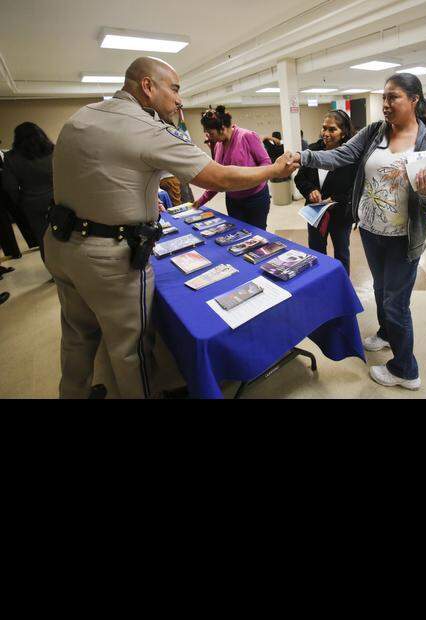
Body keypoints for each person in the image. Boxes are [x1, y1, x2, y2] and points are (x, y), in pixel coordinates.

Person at [46, 55, 299, 398]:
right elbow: (218, 176)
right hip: (108, 257)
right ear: (147, 86)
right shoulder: (146, 126)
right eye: (175, 88)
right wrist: (274, 171)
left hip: (62, 244)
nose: (180, 99)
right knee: (131, 350)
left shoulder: (83, 115)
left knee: (77, 336)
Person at [296, 72, 426, 390]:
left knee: (396, 302)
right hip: (369, 229)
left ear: (414, 100)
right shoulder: (375, 131)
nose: (385, 104)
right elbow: (342, 155)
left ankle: (406, 369)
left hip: (403, 237)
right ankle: (386, 333)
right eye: (383, 97)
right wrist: (304, 156)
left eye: (393, 97)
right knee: (380, 290)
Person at [293, 110, 356, 275]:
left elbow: (355, 189)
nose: (326, 133)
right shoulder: (313, 150)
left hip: (340, 214)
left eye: (332, 129)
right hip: (315, 213)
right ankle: (320, 280)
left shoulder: (351, 157)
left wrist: (334, 199)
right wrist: (311, 190)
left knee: (341, 253)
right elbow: (300, 179)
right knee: (316, 252)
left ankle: (341, 286)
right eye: (324, 128)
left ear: (343, 133)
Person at [193, 105, 274, 228]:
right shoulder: (219, 145)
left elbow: (266, 164)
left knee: (257, 237)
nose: (209, 137)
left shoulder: (247, 136)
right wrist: (201, 200)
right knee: (237, 235)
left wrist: (251, 179)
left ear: (222, 128)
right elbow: (219, 177)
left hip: (255, 198)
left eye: (210, 133)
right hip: (233, 200)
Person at [2, 122, 55, 263]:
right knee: (64, 234)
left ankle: (53, 271)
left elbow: (10, 186)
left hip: (31, 203)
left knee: (43, 238)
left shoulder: (11, 158)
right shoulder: (53, 151)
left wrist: (20, 201)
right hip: (57, 199)